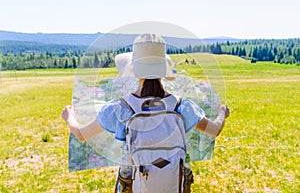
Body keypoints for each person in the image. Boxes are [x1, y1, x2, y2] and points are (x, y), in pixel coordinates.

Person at [62, 33, 230, 192]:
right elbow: (214, 130)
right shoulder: (182, 106)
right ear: (163, 70)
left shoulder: (119, 109)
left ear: (134, 70)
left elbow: (82, 134)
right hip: (173, 186)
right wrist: (222, 112)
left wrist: (69, 117)